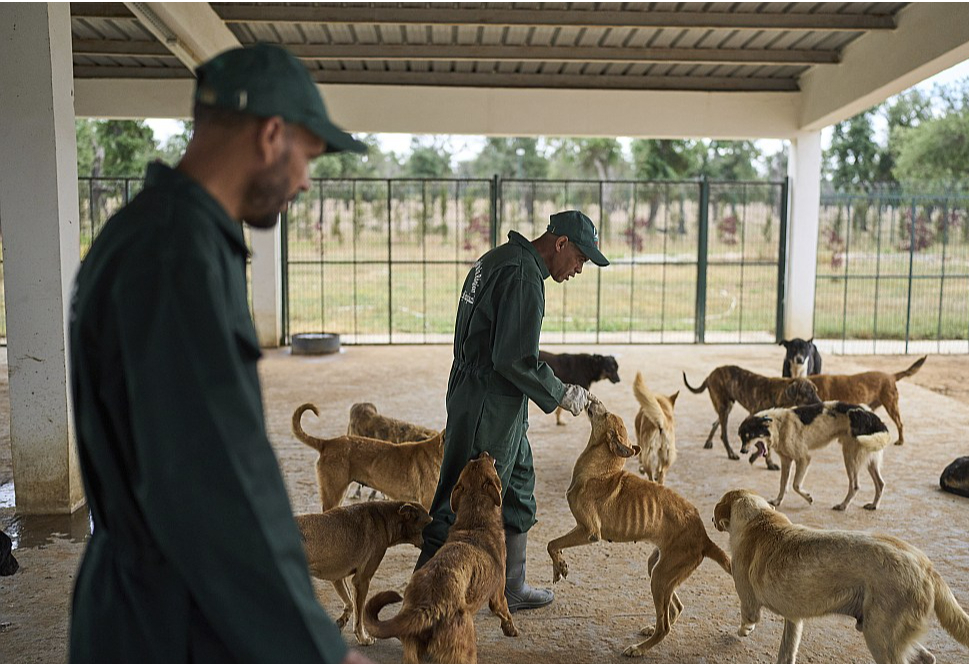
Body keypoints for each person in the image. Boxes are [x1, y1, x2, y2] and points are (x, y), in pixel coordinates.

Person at [67, 44, 373, 664]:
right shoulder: (175, 255)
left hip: (152, 600)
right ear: (270, 135)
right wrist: (318, 649)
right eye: (308, 156)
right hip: (170, 618)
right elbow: (214, 482)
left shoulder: (161, 234)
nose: (307, 179)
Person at [418, 210, 611, 611]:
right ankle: (426, 602)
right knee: (464, 498)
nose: (579, 269)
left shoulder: (500, 258)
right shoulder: (524, 278)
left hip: (488, 392)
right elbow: (514, 358)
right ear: (560, 243)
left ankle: (510, 586)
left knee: (518, 482)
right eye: (579, 258)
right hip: (489, 398)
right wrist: (560, 391)